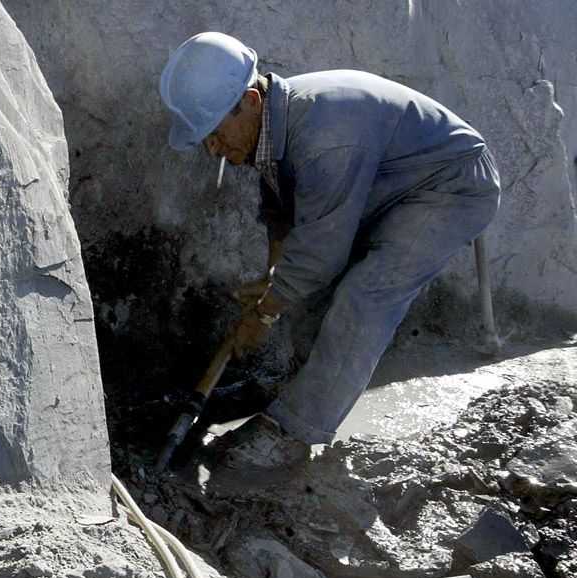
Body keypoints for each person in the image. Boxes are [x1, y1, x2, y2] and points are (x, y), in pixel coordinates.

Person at [158, 32, 500, 485]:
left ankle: (292, 432)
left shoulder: (325, 136)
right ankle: (296, 385)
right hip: (392, 187)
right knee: (300, 283)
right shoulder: (276, 126)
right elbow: (285, 222)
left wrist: (264, 315)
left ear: (250, 101)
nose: (212, 150)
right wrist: (272, 282)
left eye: (215, 133)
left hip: (450, 186)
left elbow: (319, 253)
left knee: (365, 295)